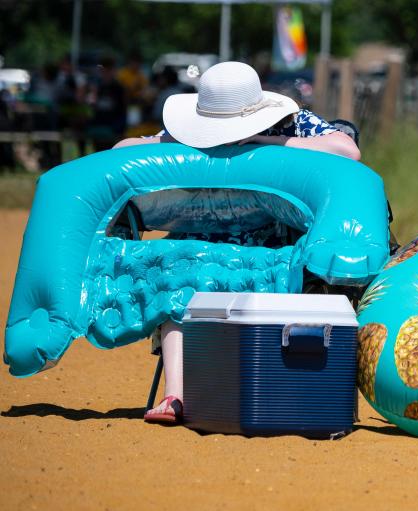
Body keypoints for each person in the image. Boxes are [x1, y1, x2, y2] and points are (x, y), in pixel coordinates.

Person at [112, 61, 360, 423]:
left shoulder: (293, 124)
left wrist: (267, 143)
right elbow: (123, 150)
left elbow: (347, 149)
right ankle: (175, 395)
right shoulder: (187, 135)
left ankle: (282, 388)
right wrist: (179, 149)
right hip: (201, 239)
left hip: (273, 238)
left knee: (290, 271)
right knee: (177, 276)